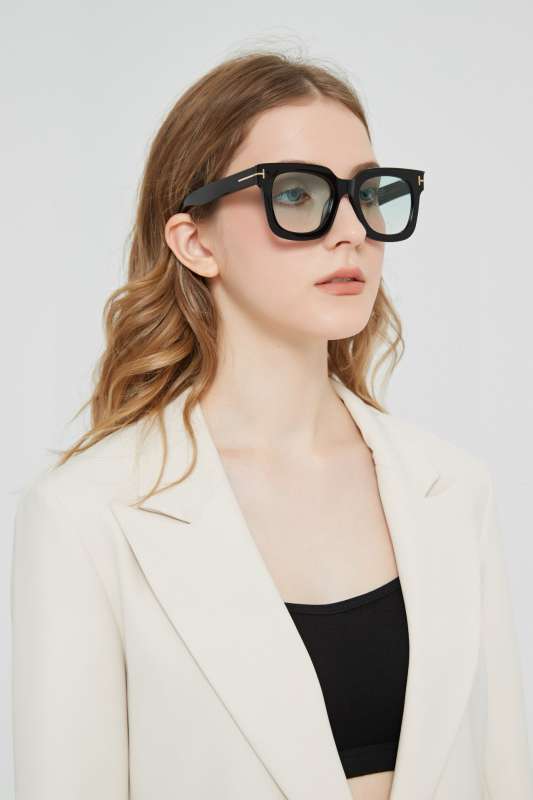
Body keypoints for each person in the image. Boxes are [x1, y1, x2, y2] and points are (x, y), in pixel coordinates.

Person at [10, 49, 532, 800]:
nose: (350, 229)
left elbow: (502, 773)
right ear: (196, 242)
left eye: (367, 193)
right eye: (296, 192)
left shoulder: (452, 488)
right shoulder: (87, 515)